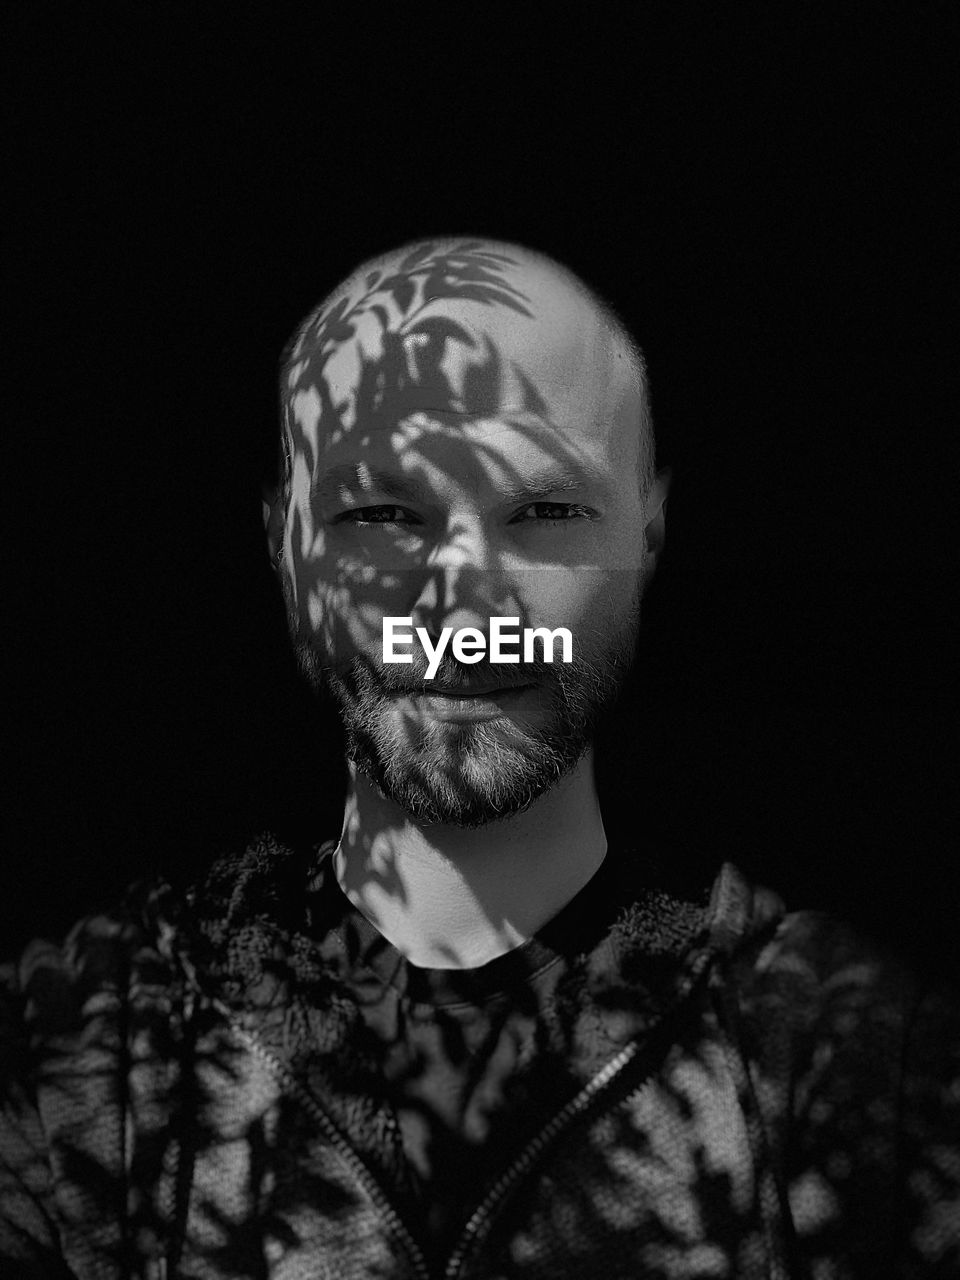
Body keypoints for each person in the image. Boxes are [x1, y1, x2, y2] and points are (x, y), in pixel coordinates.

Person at [1, 238, 957, 1279]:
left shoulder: (847, 1054)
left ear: (651, 530)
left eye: (544, 512)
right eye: (380, 515)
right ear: (285, 547)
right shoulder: (84, 1053)